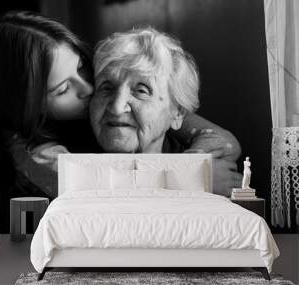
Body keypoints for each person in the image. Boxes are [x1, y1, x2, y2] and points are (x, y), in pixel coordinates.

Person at [0, 11, 241, 231]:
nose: (89, 88)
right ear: (28, 107)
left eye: (82, 68)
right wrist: (190, 177)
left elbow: (222, 141)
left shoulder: (163, 107)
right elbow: (92, 183)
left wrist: (193, 165)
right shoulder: (35, 152)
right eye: (63, 89)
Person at [90, 27, 242, 194]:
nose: (117, 108)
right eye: (106, 88)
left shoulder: (212, 173)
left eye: (141, 90)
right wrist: (187, 178)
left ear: (177, 113)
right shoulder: (67, 151)